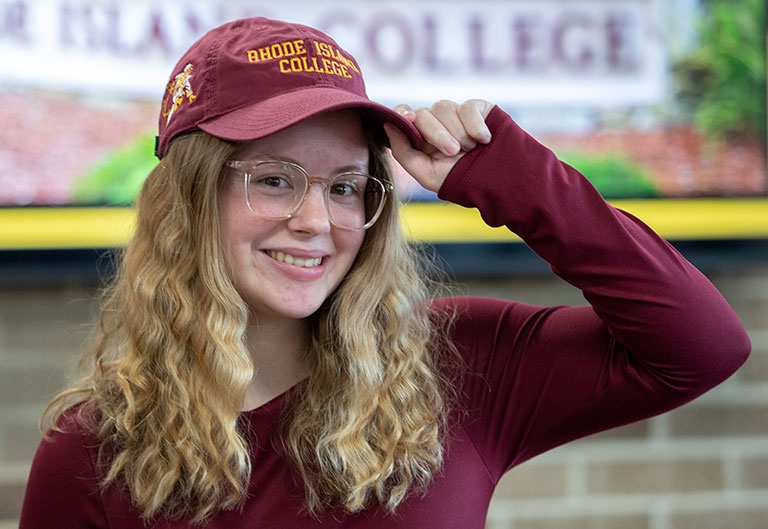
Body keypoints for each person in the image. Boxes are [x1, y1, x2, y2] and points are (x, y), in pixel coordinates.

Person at [20, 16, 750, 529]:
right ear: (189, 200)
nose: (317, 220)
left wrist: (516, 178)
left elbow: (703, 346)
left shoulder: (457, 364)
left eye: (345, 186)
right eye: (274, 179)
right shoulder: (94, 449)